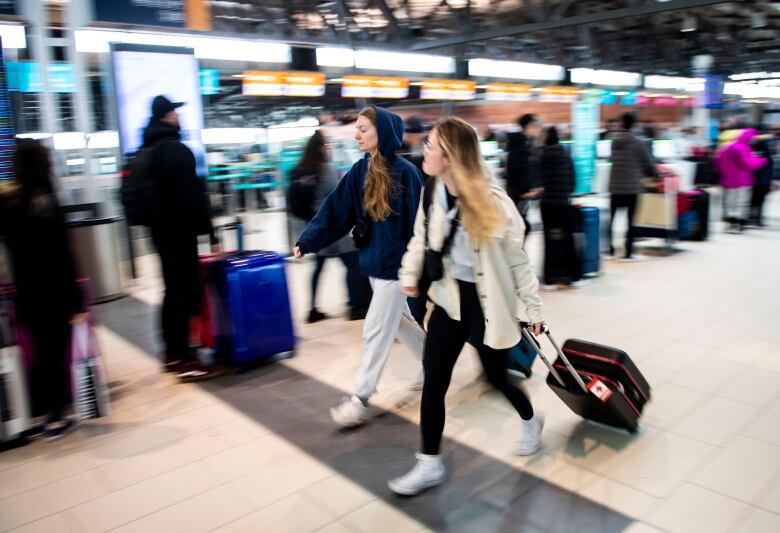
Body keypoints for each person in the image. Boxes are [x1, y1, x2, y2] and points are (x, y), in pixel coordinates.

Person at [390, 117, 545, 496]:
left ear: (452, 155)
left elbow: (518, 262)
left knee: (496, 377)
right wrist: (409, 274)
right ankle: (429, 463)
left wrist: (535, 310)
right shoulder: (432, 190)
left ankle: (530, 419)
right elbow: (420, 238)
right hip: (447, 299)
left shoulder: (493, 204)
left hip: (485, 303)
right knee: (435, 381)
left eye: (431, 146)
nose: (424, 151)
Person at [294, 106, 425, 428]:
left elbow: (420, 225)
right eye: (357, 129)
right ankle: (433, 364)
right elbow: (335, 211)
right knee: (400, 323)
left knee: (376, 331)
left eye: (364, 129)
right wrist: (308, 241)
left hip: (398, 268)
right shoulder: (360, 171)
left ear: (384, 133)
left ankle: (361, 398)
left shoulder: (406, 173)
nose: (357, 135)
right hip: (375, 264)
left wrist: (419, 269)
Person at [0, 140, 82, 441]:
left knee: (39, 352)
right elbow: (63, 256)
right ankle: (57, 417)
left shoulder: (10, 205)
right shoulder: (47, 203)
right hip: (54, 292)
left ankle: (44, 411)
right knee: (56, 352)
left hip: (26, 293)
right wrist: (76, 302)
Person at [143, 95, 222, 382]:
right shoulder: (176, 151)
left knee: (170, 291)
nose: (179, 116)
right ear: (167, 116)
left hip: (160, 233)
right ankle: (184, 358)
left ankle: (170, 352)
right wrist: (211, 235)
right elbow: (194, 197)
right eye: (175, 112)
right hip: (180, 233)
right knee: (185, 293)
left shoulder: (147, 149)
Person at [290, 130, 367, 323]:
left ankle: (312, 309)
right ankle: (355, 307)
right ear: (322, 147)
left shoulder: (303, 168)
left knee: (318, 267)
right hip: (332, 228)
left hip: (316, 227)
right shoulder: (325, 168)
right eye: (327, 146)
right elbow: (338, 197)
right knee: (352, 264)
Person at [607, 112, 658, 262]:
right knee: (630, 221)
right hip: (631, 188)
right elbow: (648, 162)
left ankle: (611, 250)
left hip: (615, 187)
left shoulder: (613, 141)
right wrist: (655, 174)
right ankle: (627, 253)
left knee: (613, 219)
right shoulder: (638, 142)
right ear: (634, 125)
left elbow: (612, 159)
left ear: (622, 124)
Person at [538, 125, 585, 289]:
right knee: (568, 239)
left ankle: (550, 277)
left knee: (550, 240)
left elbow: (537, 181)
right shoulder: (566, 156)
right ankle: (572, 276)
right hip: (563, 204)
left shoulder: (541, 156)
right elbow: (572, 182)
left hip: (547, 205)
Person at [716, 128, 767, 233]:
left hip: (727, 179)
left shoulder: (726, 147)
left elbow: (718, 163)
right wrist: (762, 161)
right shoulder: (743, 148)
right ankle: (737, 224)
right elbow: (748, 163)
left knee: (730, 201)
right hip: (742, 179)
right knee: (741, 201)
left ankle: (729, 222)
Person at [505, 113, 543, 238]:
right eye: (536, 126)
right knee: (521, 228)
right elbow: (515, 171)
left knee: (521, 228)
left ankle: (516, 255)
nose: (538, 129)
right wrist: (524, 192)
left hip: (519, 193)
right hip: (519, 195)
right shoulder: (520, 146)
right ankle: (514, 256)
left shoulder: (523, 144)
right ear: (528, 127)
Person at [748, 130, 776, 227]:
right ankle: (755, 218)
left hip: (759, 179)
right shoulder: (754, 148)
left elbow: (769, 165)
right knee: (757, 200)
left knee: (756, 200)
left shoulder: (755, 148)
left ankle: (754, 218)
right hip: (758, 179)